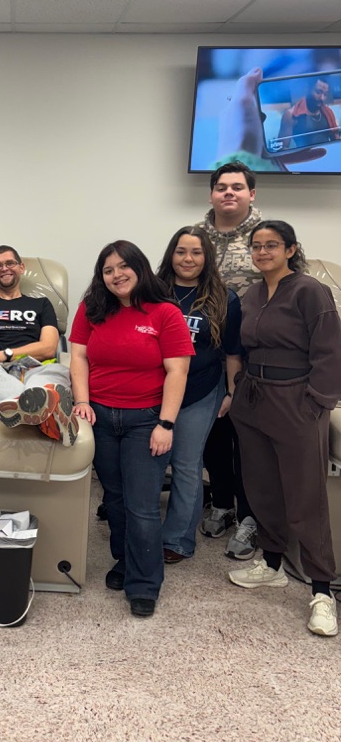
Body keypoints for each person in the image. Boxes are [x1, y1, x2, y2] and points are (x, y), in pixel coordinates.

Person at [227, 220, 341, 637]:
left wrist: (316, 403)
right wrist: (238, 391)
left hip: (296, 400)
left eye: (271, 245)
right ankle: (272, 563)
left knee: (305, 494)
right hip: (253, 399)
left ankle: (322, 590)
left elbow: (330, 351)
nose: (262, 252)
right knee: (262, 486)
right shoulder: (252, 294)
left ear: (291, 249)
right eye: (256, 246)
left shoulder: (310, 291)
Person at [69, 241, 193, 618]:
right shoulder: (91, 309)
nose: (116, 275)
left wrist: (166, 424)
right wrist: (83, 401)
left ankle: (144, 583)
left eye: (123, 267)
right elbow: (77, 357)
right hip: (101, 419)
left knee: (142, 506)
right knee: (115, 500)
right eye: (108, 270)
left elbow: (178, 370)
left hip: (146, 420)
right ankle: (125, 562)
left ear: (140, 269)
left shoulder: (165, 313)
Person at [156, 227, 242, 563]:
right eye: (180, 251)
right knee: (151, 461)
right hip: (155, 388)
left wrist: (231, 391)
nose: (187, 259)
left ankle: (177, 540)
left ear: (206, 257)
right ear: (170, 255)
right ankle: (145, 530)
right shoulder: (154, 292)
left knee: (187, 465)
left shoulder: (225, 298)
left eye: (195, 252)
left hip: (202, 389)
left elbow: (232, 352)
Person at [197, 161, 261, 560]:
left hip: (256, 352)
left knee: (249, 439)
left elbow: (290, 288)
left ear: (251, 194)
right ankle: (221, 500)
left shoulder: (267, 237)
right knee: (214, 432)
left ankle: (251, 515)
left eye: (237, 187)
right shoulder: (195, 237)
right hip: (208, 351)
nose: (229, 193)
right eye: (222, 187)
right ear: (211, 194)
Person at [0, 246, 77, 446]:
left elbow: (48, 347)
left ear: (21, 267)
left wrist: (8, 353)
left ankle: (23, 407)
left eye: (10, 263)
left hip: (34, 367)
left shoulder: (41, 304)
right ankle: (42, 413)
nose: (4, 268)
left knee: (58, 371)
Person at [277, 77, 340, 152]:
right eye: (318, 92)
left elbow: (336, 140)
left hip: (327, 155)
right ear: (308, 89)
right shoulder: (291, 115)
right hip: (305, 159)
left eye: (325, 94)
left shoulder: (328, 112)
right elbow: (282, 149)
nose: (322, 98)